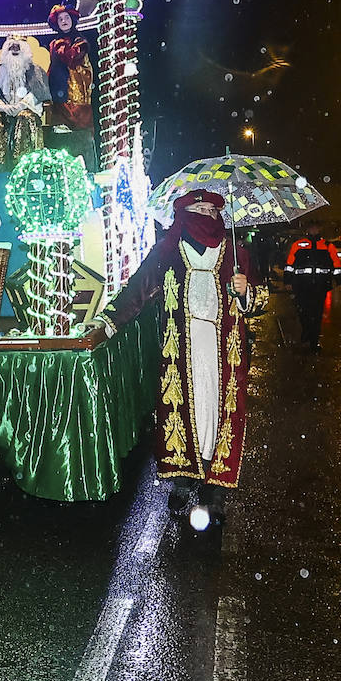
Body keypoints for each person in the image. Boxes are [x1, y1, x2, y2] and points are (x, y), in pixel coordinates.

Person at [92, 189, 267, 522]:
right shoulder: (168, 252)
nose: (206, 215)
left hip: (223, 353)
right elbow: (139, 289)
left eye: (212, 211)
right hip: (182, 349)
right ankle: (183, 480)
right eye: (198, 209)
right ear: (184, 213)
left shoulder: (236, 253)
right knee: (183, 409)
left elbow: (260, 301)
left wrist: (247, 292)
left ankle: (215, 489)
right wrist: (109, 321)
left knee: (219, 415)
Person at [0, 33, 49, 172]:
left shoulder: (35, 71)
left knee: (25, 117)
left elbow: (37, 94)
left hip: (25, 110)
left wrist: (19, 106)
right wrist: (3, 107)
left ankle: (24, 164)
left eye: (18, 47)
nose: (15, 49)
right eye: (12, 46)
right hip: (2, 112)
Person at [284, 222, 341, 352]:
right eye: (311, 227)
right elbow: (289, 264)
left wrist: (340, 282)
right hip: (302, 285)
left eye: (316, 227)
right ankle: (307, 334)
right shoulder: (298, 245)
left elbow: (336, 265)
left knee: (316, 314)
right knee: (303, 312)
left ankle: (313, 341)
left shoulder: (328, 246)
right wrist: (287, 281)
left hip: (320, 286)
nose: (313, 229)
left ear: (319, 229)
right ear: (307, 229)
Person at [45, 4, 94, 130]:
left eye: (66, 17)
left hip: (76, 98)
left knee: (79, 134)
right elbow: (53, 66)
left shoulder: (80, 41)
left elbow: (71, 59)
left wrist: (62, 45)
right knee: (59, 135)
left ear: (72, 19)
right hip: (58, 96)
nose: (64, 21)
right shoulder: (53, 43)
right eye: (60, 19)